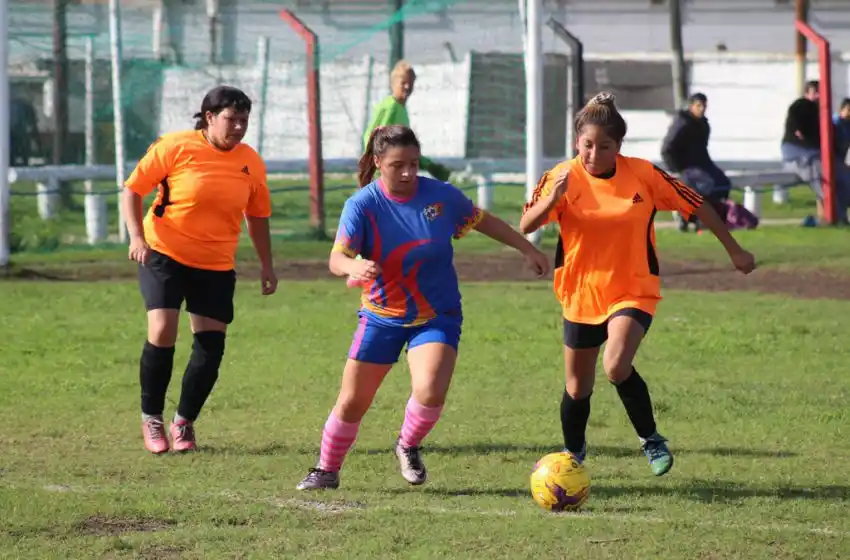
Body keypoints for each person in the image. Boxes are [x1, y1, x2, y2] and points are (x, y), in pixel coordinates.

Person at [296, 124, 550, 490]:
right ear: (379, 162)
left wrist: (526, 248)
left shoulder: (441, 196)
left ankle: (408, 445)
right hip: (381, 317)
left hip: (436, 315)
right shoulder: (363, 205)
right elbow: (337, 257)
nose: (408, 172)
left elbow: (480, 219)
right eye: (398, 164)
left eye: (414, 163)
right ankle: (326, 469)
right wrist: (354, 266)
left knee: (430, 388)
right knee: (353, 401)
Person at [520, 92, 756, 477]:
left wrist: (735, 249)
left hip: (633, 289)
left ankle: (651, 439)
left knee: (615, 365)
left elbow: (696, 204)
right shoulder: (561, 176)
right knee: (578, 387)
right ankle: (573, 454)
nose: (594, 153)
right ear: (576, 141)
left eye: (605, 146)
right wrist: (553, 200)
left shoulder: (643, 175)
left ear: (619, 146)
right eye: (587, 145)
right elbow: (527, 224)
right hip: (581, 293)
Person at [122, 85, 278, 455]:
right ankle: (152, 419)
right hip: (163, 251)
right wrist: (136, 238)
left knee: (211, 346)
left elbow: (257, 215)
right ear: (209, 117)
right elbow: (132, 189)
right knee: (162, 329)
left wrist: (267, 264)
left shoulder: (250, 161)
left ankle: (184, 422)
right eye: (231, 119)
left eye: (244, 120)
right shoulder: (175, 147)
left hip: (215, 262)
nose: (239, 127)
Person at [363, 59, 452, 182]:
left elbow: (403, 146)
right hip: (385, 176)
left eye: (410, 83)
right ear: (393, 84)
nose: (407, 86)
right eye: (403, 82)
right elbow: (380, 142)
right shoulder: (391, 107)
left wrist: (428, 165)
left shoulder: (401, 108)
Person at [660, 92, 731, 232]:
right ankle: (690, 216)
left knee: (723, 183)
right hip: (686, 166)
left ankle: (710, 216)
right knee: (706, 184)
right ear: (691, 106)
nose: (702, 109)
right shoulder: (682, 123)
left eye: (704, 106)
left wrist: (711, 166)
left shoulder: (704, 125)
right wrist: (675, 169)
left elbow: (702, 149)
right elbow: (666, 148)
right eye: (699, 105)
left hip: (702, 165)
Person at [781, 80, 824, 224]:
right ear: (807, 93)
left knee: (822, 171)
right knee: (817, 174)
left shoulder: (820, 109)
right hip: (798, 154)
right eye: (815, 92)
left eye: (820, 92)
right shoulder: (801, 105)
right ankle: (827, 209)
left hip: (811, 154)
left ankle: (826, 211)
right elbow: (799, 128)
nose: (818, 95)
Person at [832, 98, 850, 225]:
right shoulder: (836, 123)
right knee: (843, 184)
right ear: (841, 110)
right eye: (848, 110)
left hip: (842, 161)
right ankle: (841, 217)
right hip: (833, 160)